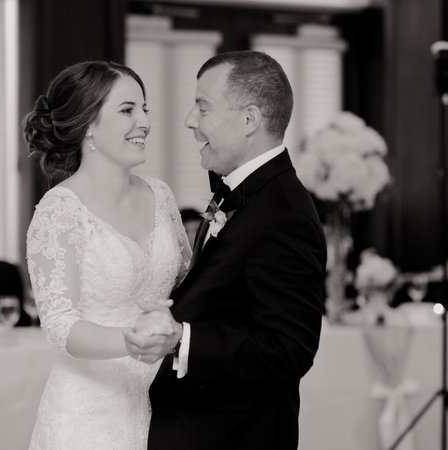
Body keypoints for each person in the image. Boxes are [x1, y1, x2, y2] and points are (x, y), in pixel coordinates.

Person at [124, 50, 327, 449]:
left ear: (249, 120)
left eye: (203, 107)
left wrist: (182, 340)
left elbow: (289, 350)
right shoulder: (243, 192)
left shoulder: (284, 214)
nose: (190, 120)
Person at [23, 61, 190, 449]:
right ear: (89, 124)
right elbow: (60, 325)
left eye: (144, 108)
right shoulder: (60, 210)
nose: (145, 122)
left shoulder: (160, 194)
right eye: (128, 110)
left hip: (165, 405)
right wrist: (130, 342)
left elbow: (187, 281)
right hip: (87, 417)